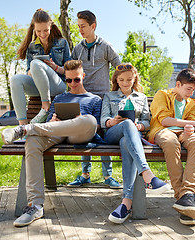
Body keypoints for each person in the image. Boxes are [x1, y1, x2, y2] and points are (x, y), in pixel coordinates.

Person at [1, 60, 102, 227]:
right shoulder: (60, 98)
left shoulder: (95, 99)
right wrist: (54, 119)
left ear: (83, 76)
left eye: (76, 80)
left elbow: (97, 127)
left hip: (80, 133)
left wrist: (78, 121)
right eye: (68, 81)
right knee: (33, 141)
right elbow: (49, 124)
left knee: (89, 120)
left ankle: (25, 129)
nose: (72, 84)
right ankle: (35, 206)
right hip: (57, 132)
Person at [101, 63, 170, 224]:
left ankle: (126, 203)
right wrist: (112, 121)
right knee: (126, 124)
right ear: (116, 81)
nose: (125, 83)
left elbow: (147, 121)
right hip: (112, 133)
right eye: (122, 80)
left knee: (127, 139)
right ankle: (147, 174)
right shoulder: (109, 96)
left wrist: (140, 125)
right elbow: (103, 120)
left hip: (132, 137)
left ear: (134, 79)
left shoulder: (142, 97)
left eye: (129, 80)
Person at [147, 69, 195, 226]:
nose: (191, 93)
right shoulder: (162, 94)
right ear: (178, 84)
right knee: (171, 142)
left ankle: (188, 194)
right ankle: (182, 197)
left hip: (183, 134)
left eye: (193, 90)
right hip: (163, 132)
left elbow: (192, 122)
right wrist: (193, 124)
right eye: (188, 89)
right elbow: (164, 120)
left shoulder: (192, 103)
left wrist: (191, 128)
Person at [69, 10, 121, 188]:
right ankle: (85, 174)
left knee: (103, 133)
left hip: (103, 97)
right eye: (78, 27)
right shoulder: (77, 49)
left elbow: (118, 66)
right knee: (85, 132)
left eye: (83, 26)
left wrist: (116, 89)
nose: (80, 30)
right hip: (84, 97)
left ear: (93, 26)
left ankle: (108, 176)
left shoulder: (106, 46)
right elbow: (70, 70)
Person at [10, 9, 71, 126]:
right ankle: (22, 127)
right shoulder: (31, 46)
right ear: (34, 29)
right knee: (15, 79)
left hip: (57, 85)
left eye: (46, 30)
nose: (42, 34)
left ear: (51, 27)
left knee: (35, 63)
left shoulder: (62, 43)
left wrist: (55, 67)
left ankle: (45, 106)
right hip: (39, 86)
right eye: (38, 31)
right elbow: (28, 71)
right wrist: (33, 72)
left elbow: (69, 71)